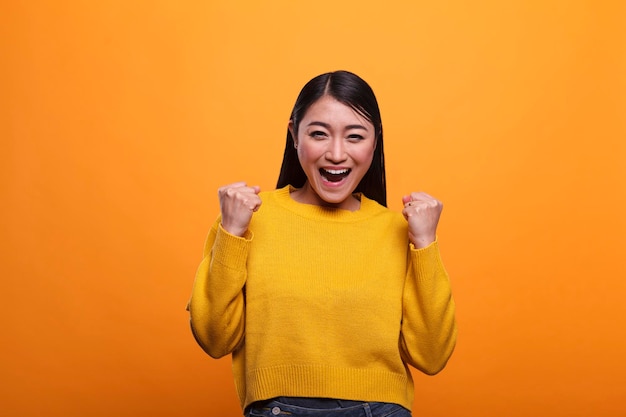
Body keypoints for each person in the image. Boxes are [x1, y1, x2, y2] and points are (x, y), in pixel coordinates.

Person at [187, 70, 457, 417]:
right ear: (294, 136)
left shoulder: (399, 229)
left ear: (375, 142)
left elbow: (433, 356)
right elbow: (213, 338)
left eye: (355, 136)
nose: (336, 153)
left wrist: (425, 244)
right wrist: (231, 233)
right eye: (319, 134)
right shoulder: (249, 218)